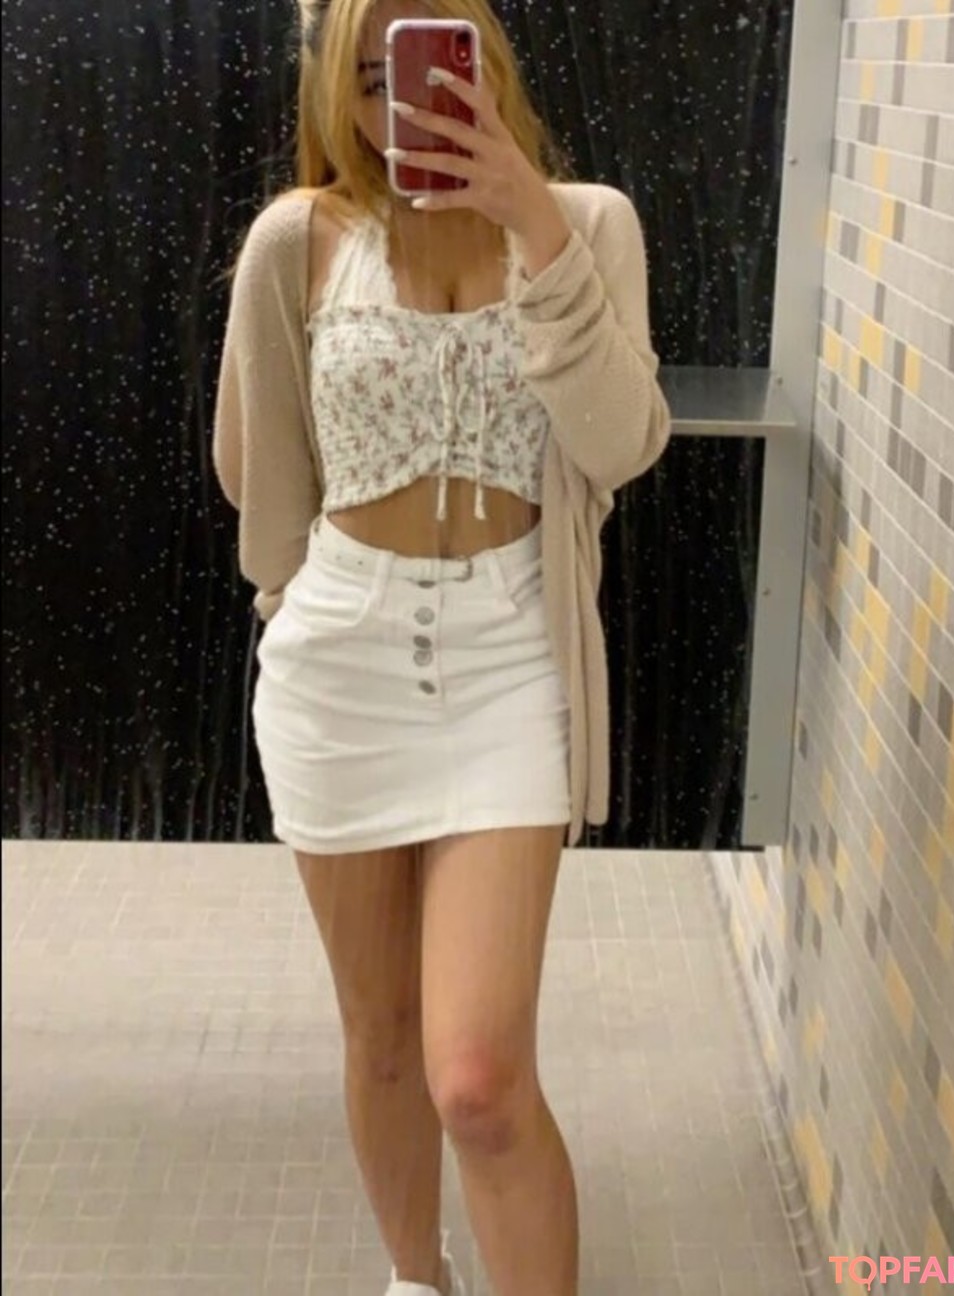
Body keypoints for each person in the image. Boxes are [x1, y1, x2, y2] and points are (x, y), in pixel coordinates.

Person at [211, 1, 671, 1292]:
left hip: (509, 663)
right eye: (368, 81)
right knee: (383, 1039)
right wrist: (296, 602)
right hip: (339, 665)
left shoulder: (589, 225)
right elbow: (253, 473)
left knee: (478, 1078)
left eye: (426, 67)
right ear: (335, 95)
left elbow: (623, 442)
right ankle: (418, 1277)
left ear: (483, 61)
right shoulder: (296, 242)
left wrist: (532, 223)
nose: (398, 106)